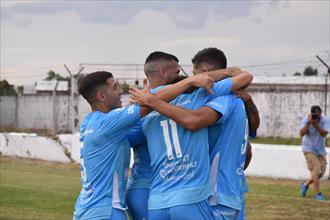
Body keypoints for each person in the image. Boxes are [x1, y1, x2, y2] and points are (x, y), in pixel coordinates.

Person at [131, 48, 258, 220]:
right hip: (208, 194)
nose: (190, 76)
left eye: (193, 73)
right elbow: (193, 121)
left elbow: (122, 135)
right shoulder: (206, 96)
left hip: (160, 198)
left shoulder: (141, 106)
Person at [73, 70, 216, 220]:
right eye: (115, 87)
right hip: (106, 212)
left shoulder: (89, 123)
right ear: (101, 96)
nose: (121, 91)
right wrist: (190, 81)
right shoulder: (108, 123)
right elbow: (150, 103)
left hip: (85, 210)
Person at [299, 105, 329, 201]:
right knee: (316, 169)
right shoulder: (306, 119)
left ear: (321, 113)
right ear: (311, 114)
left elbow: (324, 133)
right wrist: (308, 123)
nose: (317, 118)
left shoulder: (325, 120)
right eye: (315, 116)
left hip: (320, 150)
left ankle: (305, 185)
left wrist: (316, 124)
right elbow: (301, 134)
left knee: (321, 173)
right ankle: (318, 194)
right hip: (308, 149)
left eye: (318, 116)